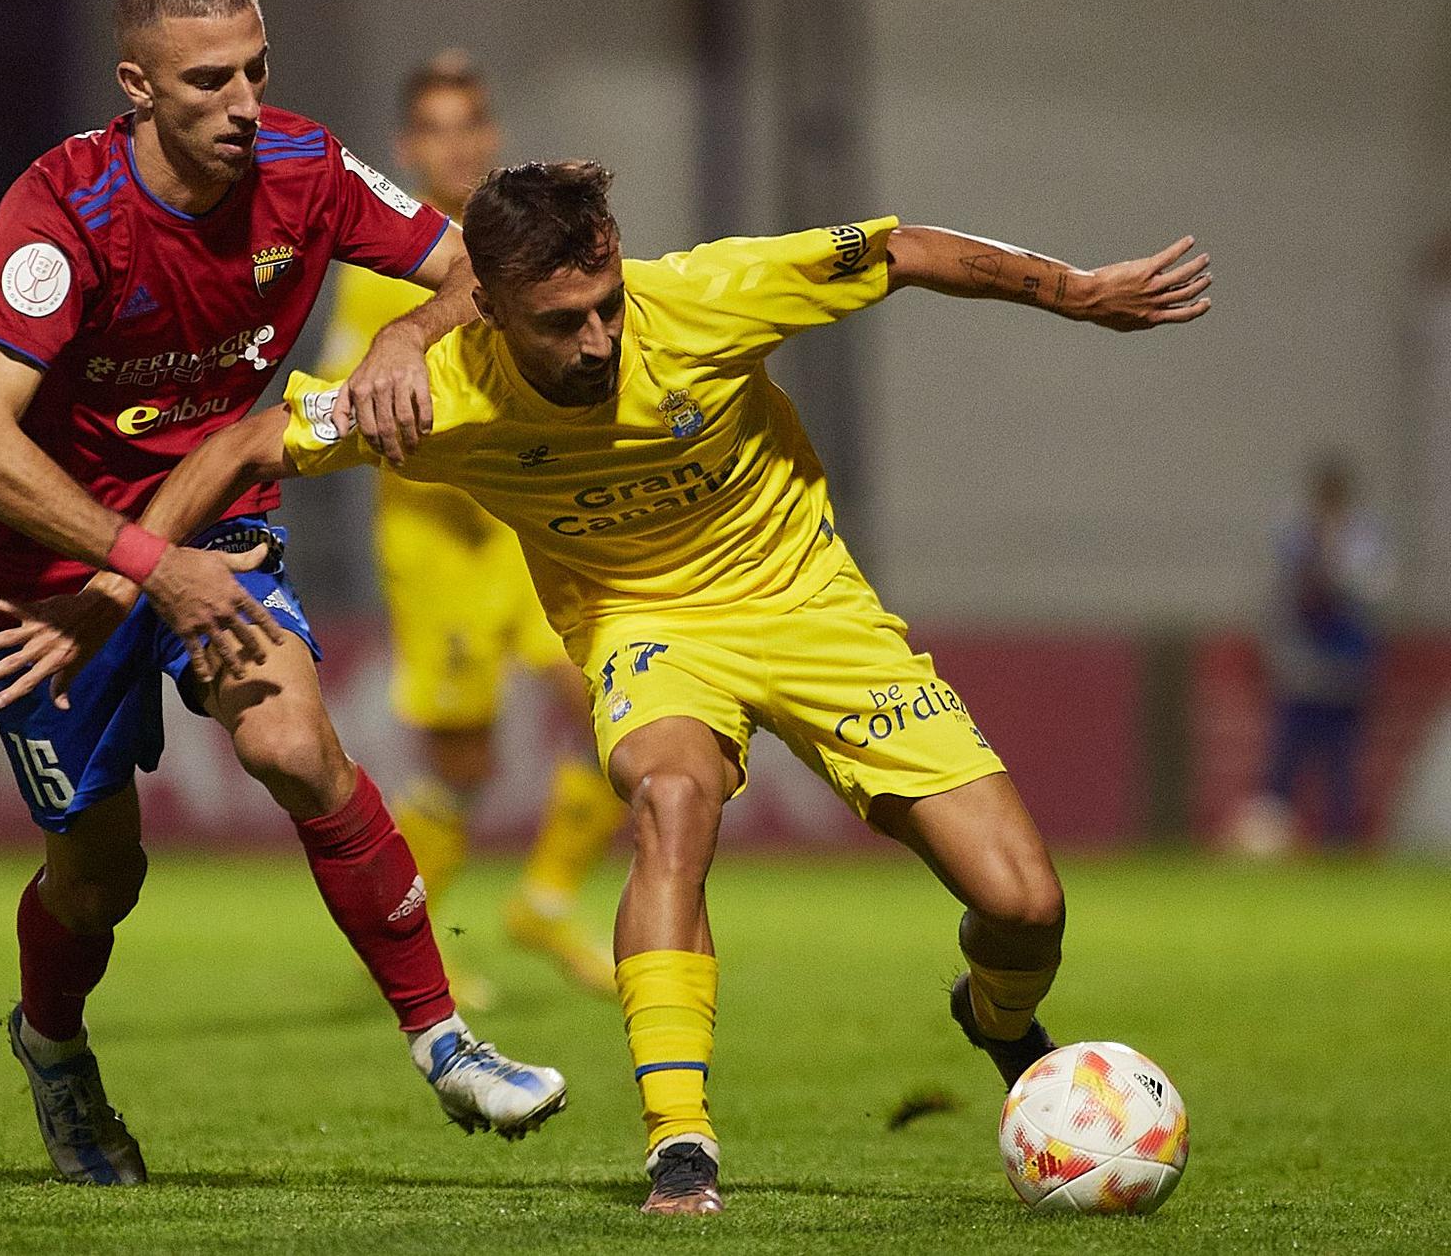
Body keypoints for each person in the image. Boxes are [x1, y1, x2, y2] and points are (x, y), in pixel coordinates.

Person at [110, 161, 1213, 1213]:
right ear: (483, 306)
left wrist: (1072, 291)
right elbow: (240, 448)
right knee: (670, 801)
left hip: (810, 606)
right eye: (560, 321)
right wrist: (128, 586)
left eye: (605, 305)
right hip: (646, 628)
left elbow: (904, 247)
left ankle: (996, 1017)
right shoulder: (431, 398)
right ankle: (679, 1139)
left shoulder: (704, 298)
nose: (596, 340)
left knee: (1022, 905)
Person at [0, 0, 563, 1186]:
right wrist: (136, 565)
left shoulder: (306, 166)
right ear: (135, 86)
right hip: (50, 572)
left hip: (213, 527)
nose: (242, 106)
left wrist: (405, 344)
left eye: (256, 72)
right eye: (208, 82)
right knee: (96, 877)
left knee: (290, 742)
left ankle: (443, 1040)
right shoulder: (62, 214)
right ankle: (53, 1050)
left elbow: (469, 268)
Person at [311, 53, 625, 1008]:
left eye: (470, 123)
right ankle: (405, 945)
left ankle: (545, 898)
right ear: (410, 146)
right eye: (435, 129)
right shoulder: (386, 259)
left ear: (489, 134)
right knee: (467, 764)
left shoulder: (523, 242)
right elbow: (343, 396)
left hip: (528, 527)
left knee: (617, 707)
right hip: (436, 542)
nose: (456, 143)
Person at [1245, 455, 1390, 848]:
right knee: (1282, 771)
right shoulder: (1296, 537)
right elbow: (1281, 602)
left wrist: (1333, 567)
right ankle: (1271, 846)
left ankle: (1339, 847)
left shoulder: (1362, 541)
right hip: (1302, 676)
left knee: (1341, 772)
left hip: (1344, 675)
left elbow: (1372, 598)